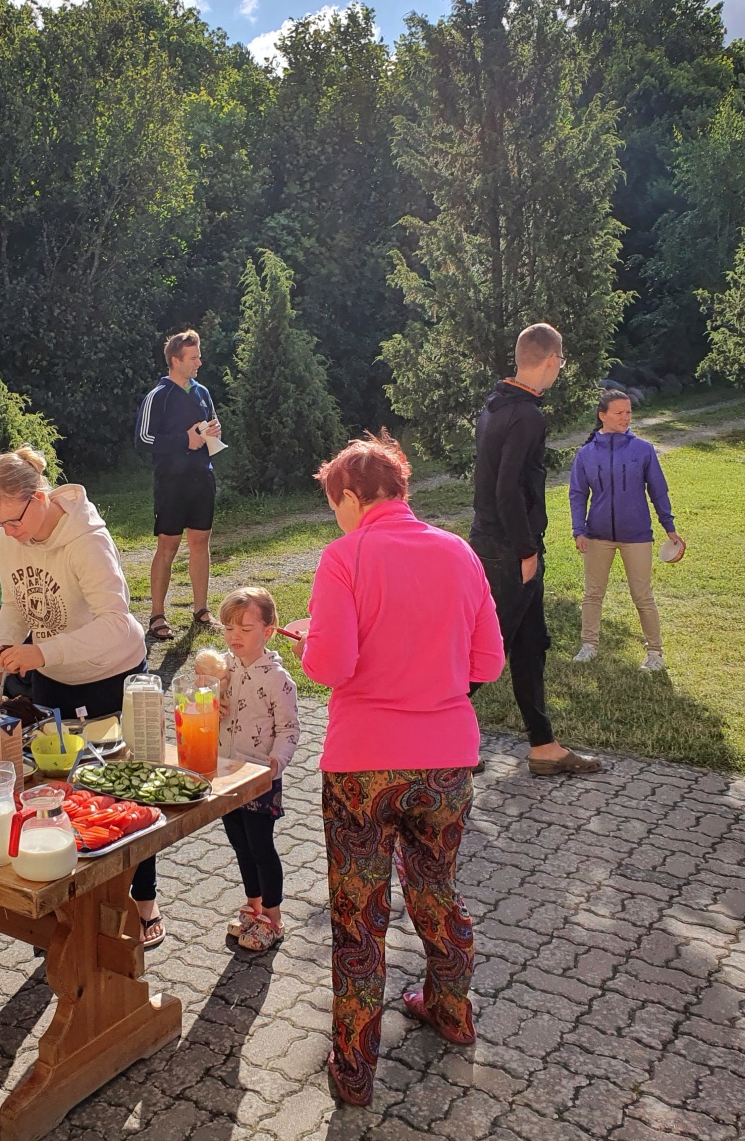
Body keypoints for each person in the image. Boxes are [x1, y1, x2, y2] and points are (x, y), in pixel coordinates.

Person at [297, 431, 506, 1107]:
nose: (337, 516)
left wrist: (310, 641)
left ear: (351, 497)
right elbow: (487, 663)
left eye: (335, 504)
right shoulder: (460, 553)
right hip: (446, 761)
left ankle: (355, 1069)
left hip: (363, 766)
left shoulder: (344, 557)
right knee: (436, 889)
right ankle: (451, 1009)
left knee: (359, 916)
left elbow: (331, 666)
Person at [0, 448, 163, 946]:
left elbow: (119, 626)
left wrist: (40, 652)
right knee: (60, 795)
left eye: (12, 522)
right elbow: (14, 602)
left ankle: (143, 900)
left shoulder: (88, 540)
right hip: (54, 679)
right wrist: (4, 646)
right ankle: (72, 910)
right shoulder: (10, 534)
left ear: (38, 499)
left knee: (124, 796)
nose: (7, 534)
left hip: (109, 678)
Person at [470, 322, 601, 776]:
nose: (560, 369)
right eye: (560, 361)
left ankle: (543, 745)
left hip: (493, 543)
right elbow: (507, 489)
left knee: (529, 646)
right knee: (489, 649)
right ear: (550, 360)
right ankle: (430, 736)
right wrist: (526, 551)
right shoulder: (527, 416)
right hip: (511, 549)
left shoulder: (495, 406)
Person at [568, 388, 685, 672]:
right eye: (619, 413)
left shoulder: (643, 449)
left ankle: (655, 653)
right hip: (597, 536)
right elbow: (577, 494)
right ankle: (589, 645)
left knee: (642, 595)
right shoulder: (585, 454)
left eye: (629, 412)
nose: (625, 417)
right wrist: (579, 529)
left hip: (637, 536)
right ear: (602, 415)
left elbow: (658, 490)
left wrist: (669, 526)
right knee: (593, 594)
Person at [213, 587, 300, 953]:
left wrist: (276, 763)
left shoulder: (277, 680)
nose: (235, 635)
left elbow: (289, 729)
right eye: (229, 627)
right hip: (226, 773)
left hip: (260, 777)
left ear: (268, 631)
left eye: (245, 628)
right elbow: (203, 705)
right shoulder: (223, 668)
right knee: (239, 842)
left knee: (261, 846)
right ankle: (253, 905)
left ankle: (273, 918)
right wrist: (210, 696)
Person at [136, 329, 220, 641]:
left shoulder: (202, 392)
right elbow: (142, 439)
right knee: (168, 546)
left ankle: (201, 610)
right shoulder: (158, 395)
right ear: (176, 360)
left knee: (200, 542)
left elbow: (210, 427)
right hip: (171, 482)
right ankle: (157, 615)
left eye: (199, 356)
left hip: (202, 478)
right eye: (193, 357)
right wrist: (184, 440)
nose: (199, 362)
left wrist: (214, 433)